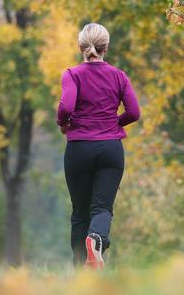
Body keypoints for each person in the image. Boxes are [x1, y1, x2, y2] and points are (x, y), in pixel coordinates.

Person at [57, 23, 140, 269]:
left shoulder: (72, 74)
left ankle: (81, 272)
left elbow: (66, 107)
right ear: (106, 47)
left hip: (79, 149)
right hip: (110, 150)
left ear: (80, 46)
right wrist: (113, 122)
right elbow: (134, 112)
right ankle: (96, 239)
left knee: (80, 213)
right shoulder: (118, 76)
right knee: (102, 208)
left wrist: (64, 123)